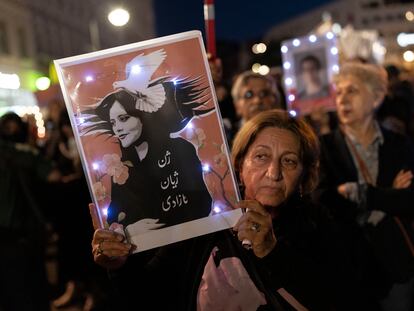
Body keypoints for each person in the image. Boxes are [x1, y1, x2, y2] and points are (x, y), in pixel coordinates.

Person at [90, 109, 362, 310]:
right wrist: (119, 266)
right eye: (261, 156)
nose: (273, 173)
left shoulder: (320, 223)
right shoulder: (203, 223)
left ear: (304, 175)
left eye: (289, 161)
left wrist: (273, 253)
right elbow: (149, 297)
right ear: (240, 166)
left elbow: (343, 299)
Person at [314, 62, 414, 311]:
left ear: (377, 97)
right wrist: (389, 195)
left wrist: (360, 194)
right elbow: (323, 201)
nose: (343, 99)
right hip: (347, 268)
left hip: (396, 267)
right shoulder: (322, 148)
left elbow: (410, 199)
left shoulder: (400, 143)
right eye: (339, 92)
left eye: (353, 91)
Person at [82, 78, 214, 234]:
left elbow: (202, 203)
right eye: (113, 122)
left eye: (123, 119)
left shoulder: (181, 149)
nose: (117, 128)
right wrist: (130, 230)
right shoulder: (121, 168)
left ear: (143, 117)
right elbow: (115, 216)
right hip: (143, 254)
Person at [0, 112, 60, 311]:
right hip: (21, 235)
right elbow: (54, 176)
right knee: (30, 293)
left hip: (16, 235)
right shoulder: (25, 153)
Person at [231, 71, 281, 136]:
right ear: (237, 106)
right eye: (249, 95)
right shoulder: (225, 138)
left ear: (275, 100)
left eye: (264, 94)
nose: (257, 101)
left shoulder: (288, 135)